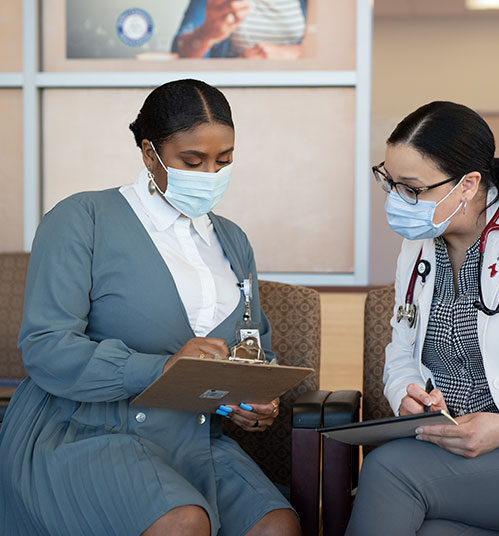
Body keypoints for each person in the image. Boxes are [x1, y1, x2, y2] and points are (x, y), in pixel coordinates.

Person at [0, 79, 301, 536]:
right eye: (192, 161)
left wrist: (251, 399)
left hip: (193, 433)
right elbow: (45, 347)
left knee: (276, 525)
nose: (210, 174)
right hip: (83, 429)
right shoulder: (82, 219)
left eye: (224, 160)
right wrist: (159, 369)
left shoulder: (233, 240)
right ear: (148, 153)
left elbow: (252, 344)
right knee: (182, 522)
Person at [346, 101, 499, 535]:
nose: (398, 200)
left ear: (468, 184)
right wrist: (409, 396)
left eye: (413, 189)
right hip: (458, 449)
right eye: (390, 182)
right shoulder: (417, 248)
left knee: (390, 472)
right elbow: (400, 352)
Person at [171, 0, 308, 59]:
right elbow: (180, 53)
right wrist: (205, 34)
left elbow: (328, 50)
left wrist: (292, 53)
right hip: (235, 92)